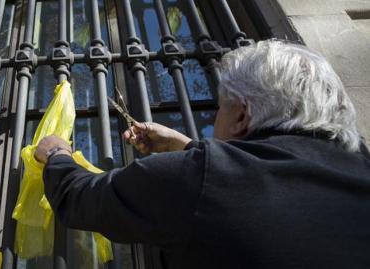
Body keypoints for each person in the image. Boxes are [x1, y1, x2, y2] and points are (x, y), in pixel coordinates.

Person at [35, 40, 370, 268]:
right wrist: (189, 148)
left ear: (241, 115)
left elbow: (83, 198)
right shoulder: (359, 169)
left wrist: (57, 155)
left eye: (220, 109)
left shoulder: (199, 179)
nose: (214, 122)